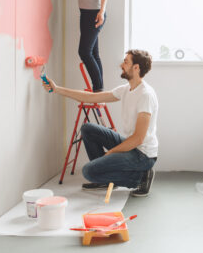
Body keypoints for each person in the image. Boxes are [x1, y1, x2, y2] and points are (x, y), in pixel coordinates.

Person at [42, 50, 158, 197]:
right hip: (132, 145)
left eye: (126, 62)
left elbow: (138, 139)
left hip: (143, 155)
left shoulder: (145, 95)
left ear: (136, 68)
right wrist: (57, 89)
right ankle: (106, 178)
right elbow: (91, 97)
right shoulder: (126, 90)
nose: (122, 65)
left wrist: (111, 152)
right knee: (88, 129)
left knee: (88, 171)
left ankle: (140, 178)